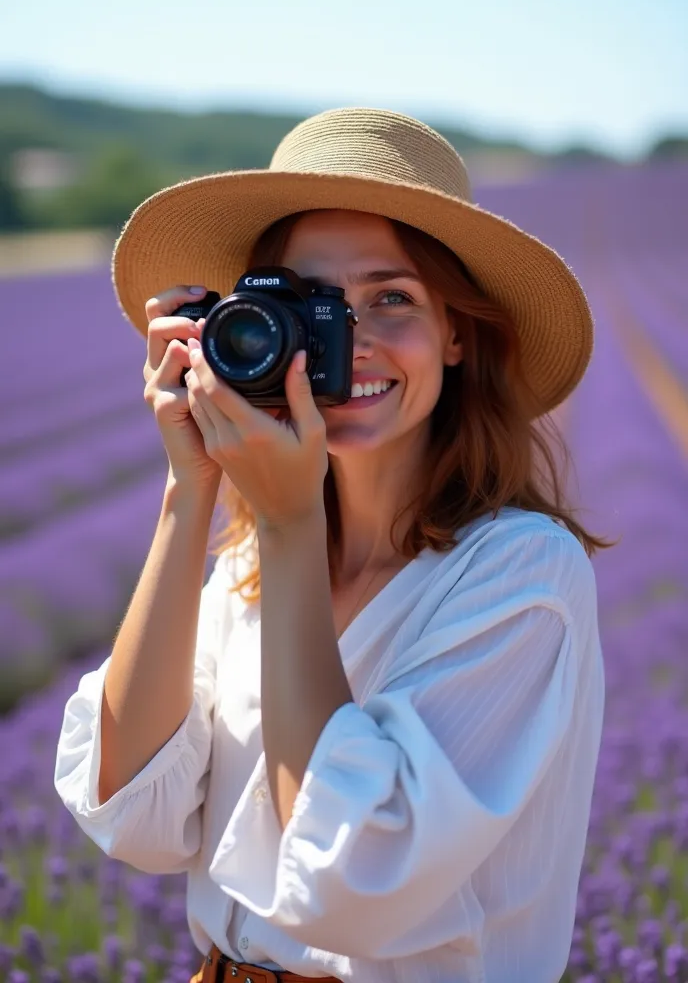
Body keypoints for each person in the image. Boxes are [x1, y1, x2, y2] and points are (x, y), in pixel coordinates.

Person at [54, 107, 607, 983]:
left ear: (458, 333)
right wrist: (189, 489)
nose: (349, 345)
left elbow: (347, 880)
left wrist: (287, 526)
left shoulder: (520, 574)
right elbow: (134, 813)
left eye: (392, 298)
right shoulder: (247, 567)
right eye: (310, 310)